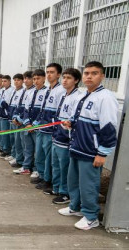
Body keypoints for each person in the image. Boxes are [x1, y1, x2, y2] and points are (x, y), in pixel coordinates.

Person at [59, 61, 118, 230]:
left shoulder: (105, 97)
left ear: (102, 76)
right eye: (86, 73)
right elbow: (81, 120)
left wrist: (102, 152)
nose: (89, 76)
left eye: (94, 73)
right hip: (77, 146)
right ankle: (75, 207)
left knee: (88, 185)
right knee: (74, 181)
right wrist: (70, 123)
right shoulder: (84, 95)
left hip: (91, 151)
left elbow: (108, 128)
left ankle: (91, 216)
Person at [49, 68, 81, 204]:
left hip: (66, 139)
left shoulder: (77, 97)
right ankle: (56, 188)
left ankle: (65, 193)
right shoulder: (64, 96)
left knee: (64, 167)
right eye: (64, 77)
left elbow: (74, 119)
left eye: (68, 78)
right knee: (55, 165)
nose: (65, 80)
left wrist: (68, 125)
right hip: (57, 137)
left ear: (76, 80)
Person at [33, 63, 65, 192]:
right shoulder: (47, 90)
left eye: (52, 72)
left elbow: (58, 113)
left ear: (58, 74)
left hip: (50, 130)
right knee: (39, 154)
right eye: (47, 72)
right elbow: (42, 110)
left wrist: (51, 125)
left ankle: (49, 180)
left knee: (49, 157)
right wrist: (37, 122)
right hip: (41, 128)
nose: (49, 74)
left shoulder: (61, 90)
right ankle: (42, 175)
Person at [22, 69, 48, 183]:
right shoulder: (30, 92)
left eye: (38, 78)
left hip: (37, 127)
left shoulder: (46, 92)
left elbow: (42, 112)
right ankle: (26, 166)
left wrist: (34, 125)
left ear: (44, 79)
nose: (36, 81)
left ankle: (37, 169)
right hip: (28, 125)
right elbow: (26, 109)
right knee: (28, 147)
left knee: (38, 151)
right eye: (34, 79)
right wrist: (27, 123)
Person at [12, 71, 36, 175]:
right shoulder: (23, 91)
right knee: (22, 144)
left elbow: (30, 110)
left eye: (28, 78)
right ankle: (24, 164)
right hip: (21, 122)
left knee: (30, 147)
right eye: (25, 78)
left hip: (28, 124)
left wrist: (23, 120)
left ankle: (28, 167)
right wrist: (15, 117)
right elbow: (18, 107)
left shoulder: (34, 91)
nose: (26, 81)